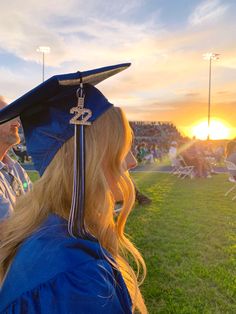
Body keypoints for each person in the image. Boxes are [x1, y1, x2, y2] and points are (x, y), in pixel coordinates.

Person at [0, 64, 147, 313]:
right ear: (83, 160)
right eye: (119, 148)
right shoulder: (76, 278)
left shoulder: (53, 234)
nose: (132, 161)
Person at [0, 97, 32, 222]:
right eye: (7, 116)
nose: (17, 123)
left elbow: (36, 209)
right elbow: (9, 232)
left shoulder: (16, 168)